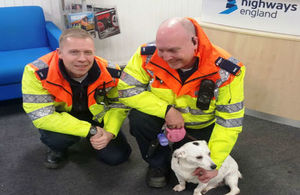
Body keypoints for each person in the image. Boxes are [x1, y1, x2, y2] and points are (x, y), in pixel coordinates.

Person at [117, 17, 245, 188]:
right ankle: (158, 164)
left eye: (173, 50)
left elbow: (229, 121)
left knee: (197, 178)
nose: (166, 57)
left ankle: (184, 149)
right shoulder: (147, 55)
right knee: (139, 119)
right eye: (162, 50)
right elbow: (126, 90)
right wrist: (167, 111)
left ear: (194, 42)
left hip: (202, 125)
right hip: (164, 117)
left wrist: (215, 162)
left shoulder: (226, 70)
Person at [22, 28, 131, 169]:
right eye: (74, 52)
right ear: (60, 53)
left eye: (88, 52)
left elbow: (119, 105)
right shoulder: (36, 73)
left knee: (118, 156)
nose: (82, 59)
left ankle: (95, 137)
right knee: (58, 139)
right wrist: (90, 130)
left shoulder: (111, 71)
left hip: (96, 116)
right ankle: (57, 148)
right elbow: (42, 115)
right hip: (60, 116)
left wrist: (110, 131)